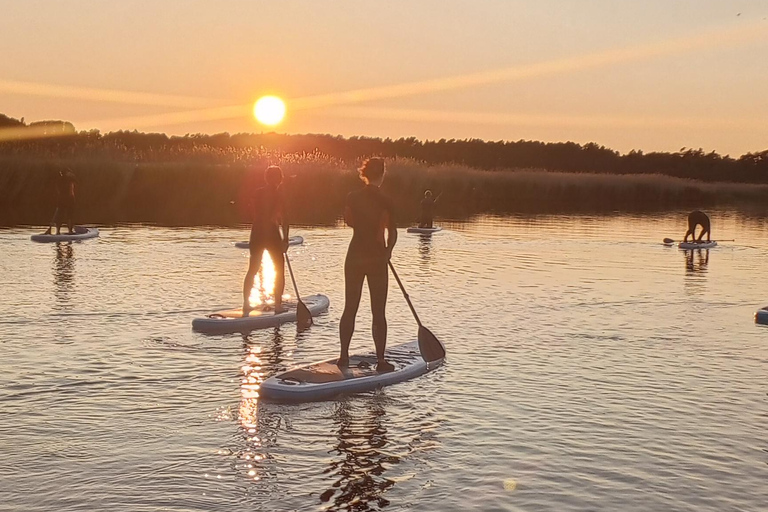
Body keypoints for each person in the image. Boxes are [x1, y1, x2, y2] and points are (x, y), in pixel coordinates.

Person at [339, 158, 397, 373]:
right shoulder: (386, 200)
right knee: (378, 311)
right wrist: (388, 252)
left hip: (354, 255)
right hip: (376, 257)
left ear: (364, 174)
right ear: (382, 174)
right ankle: (381, 360)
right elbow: (392, 232)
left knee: (350, 308)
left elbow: (349, 221)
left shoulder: (352, 197)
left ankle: (343, 356)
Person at [242, 165, 289, 317]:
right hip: (271, 233)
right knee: (279, 269)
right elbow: (284, 218)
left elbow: (254, 213)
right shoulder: (280, 195)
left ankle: (246, 304)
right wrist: (285, 239)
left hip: (256, 232)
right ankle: (278, 305)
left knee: (253, 268)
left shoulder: (257, 193)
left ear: (266, 178)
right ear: (280, 179)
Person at [44, 169, 76, 235]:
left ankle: (58, 231)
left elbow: (58, 190)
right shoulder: (70, 180)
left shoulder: (59, 180)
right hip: (69, 199)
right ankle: (70, 231)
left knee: (59, 215)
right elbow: (71, 190)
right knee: (70, 215)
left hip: (61, 199)